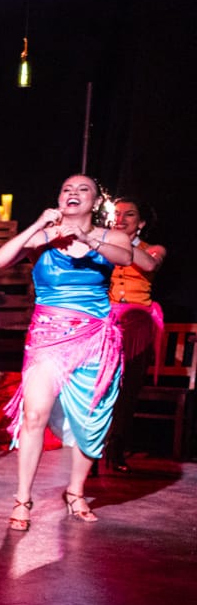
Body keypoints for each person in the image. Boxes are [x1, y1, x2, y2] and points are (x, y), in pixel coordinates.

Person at [0, 174, 148, 528]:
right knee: (34, 414)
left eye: (82, 189)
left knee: (90, 421)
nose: (73, 193)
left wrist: (87, 239)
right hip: (47, 337)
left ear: (96, 202)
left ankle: (75, 492)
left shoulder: (111, 237)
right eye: (66, 189)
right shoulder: (44, 237)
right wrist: (38, 225)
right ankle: (23, 499)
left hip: (93, 337)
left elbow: (125, 258)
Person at [103, 197, 168, 471]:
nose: (120, 219)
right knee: (100, 385)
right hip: (107, 321)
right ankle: (92, 448)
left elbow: (150, 265)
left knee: (127, 388)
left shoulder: (153, 249)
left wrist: (117, 242)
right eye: (116, 214)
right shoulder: (103, 245)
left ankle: (116, 447)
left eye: (128, 215)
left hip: (137, 322)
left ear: (140, 223)